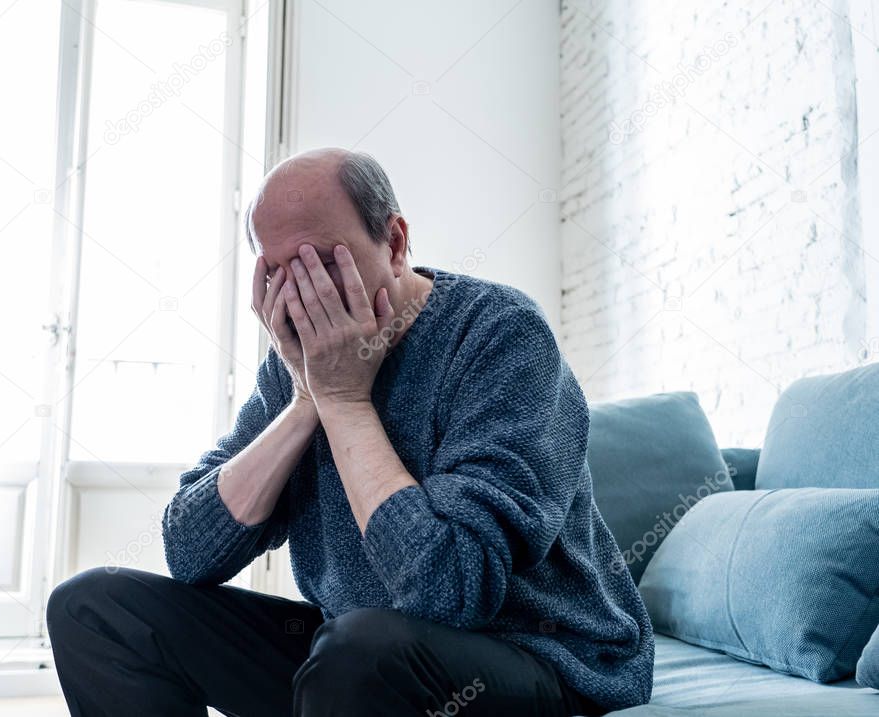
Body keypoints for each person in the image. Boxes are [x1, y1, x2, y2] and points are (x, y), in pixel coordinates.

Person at [46, 148, 654, 717]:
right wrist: (308, 398)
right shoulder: (299, 357)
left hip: (536, 658)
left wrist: (343, 401)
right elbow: (191, 552)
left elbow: (450, 590)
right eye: (279, 273)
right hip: (357, 652)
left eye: (321, 263)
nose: (301, 296)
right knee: (94, 607)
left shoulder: (500, 336)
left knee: (359, 649)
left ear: (394, 242)